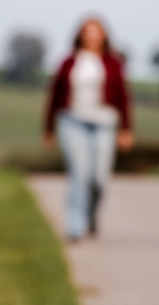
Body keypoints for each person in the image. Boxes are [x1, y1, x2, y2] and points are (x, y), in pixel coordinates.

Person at [44, 18, 134, 241]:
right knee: (79, 173)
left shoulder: (113, 63)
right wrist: (48, 129)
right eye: (87, 32)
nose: (92, 36)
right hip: (72, 120)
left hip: (104, 121)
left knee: (99, 178)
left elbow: (123, 97)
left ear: (104, 35)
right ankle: (74, 226)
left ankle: (91, 214)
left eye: (96, 32)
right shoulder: (68, 62)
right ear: (81, 35)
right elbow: (54, 96)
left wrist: (126, 129)